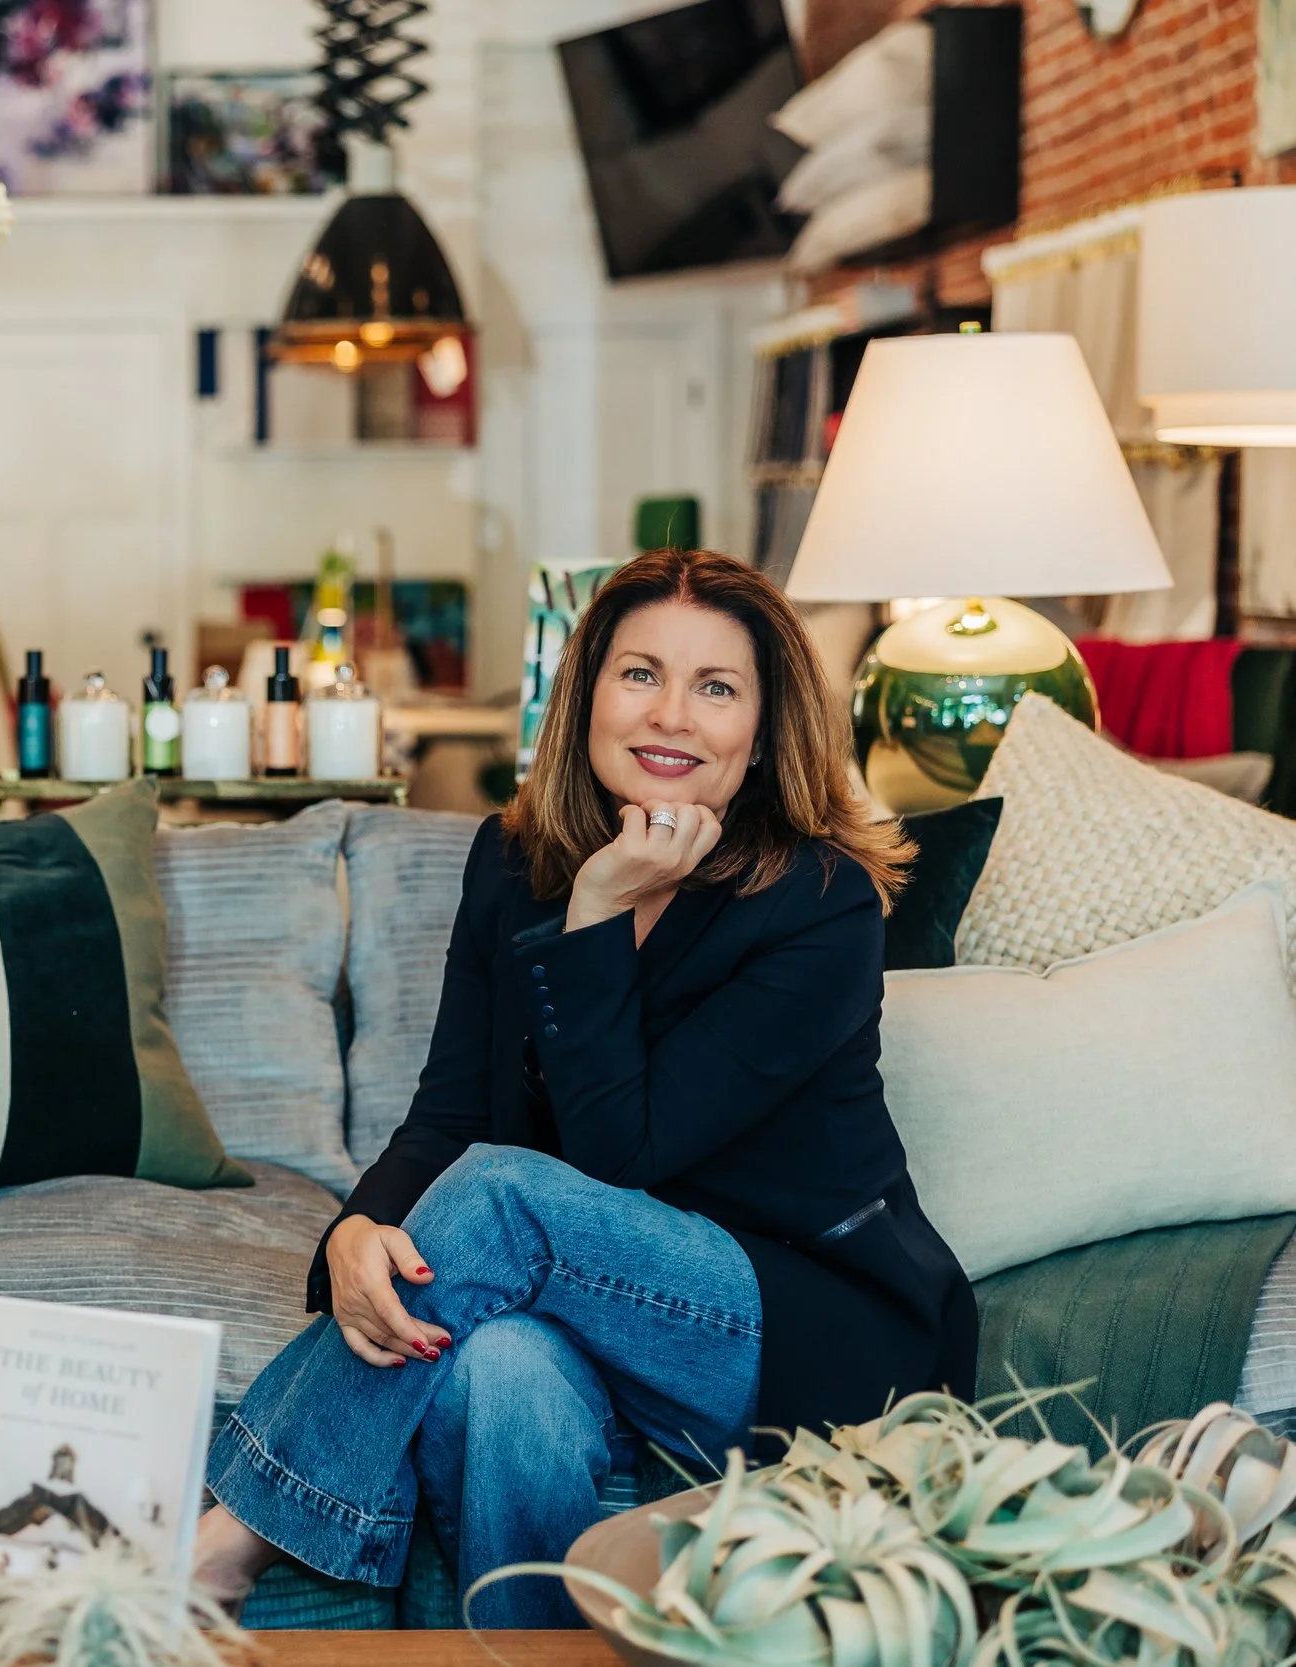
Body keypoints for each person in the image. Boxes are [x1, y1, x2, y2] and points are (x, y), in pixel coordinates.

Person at [193, 549, 977, 1626]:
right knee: (499, 1370)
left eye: (716, 686)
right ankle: (522, 1650)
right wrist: (354, 1233)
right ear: (587, 696)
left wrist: (600, 905)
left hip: (795, 1321)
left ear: (762, 728)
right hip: (587, 1311)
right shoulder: (507, 860)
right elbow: (450, 1111)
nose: (672, 714)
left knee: (505, 1192)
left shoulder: (820, 900)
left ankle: (218, 1550)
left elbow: (622, 1152)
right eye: (639, 673)